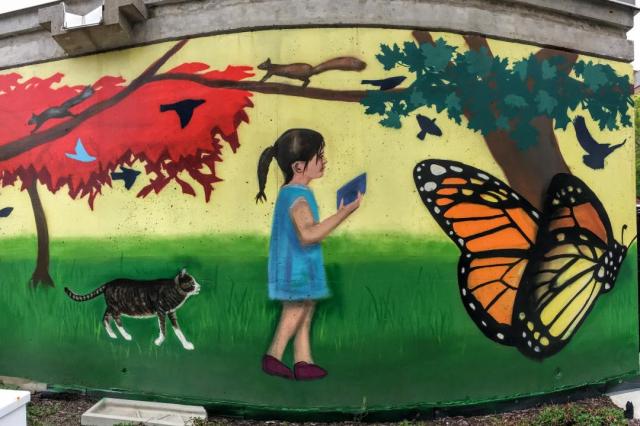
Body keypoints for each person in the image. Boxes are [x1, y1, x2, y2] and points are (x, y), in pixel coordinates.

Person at [255, 128, 362, 380]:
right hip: (297, 268)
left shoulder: (293, 193)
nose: (324, 160)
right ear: (299, 166)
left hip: (300, 265)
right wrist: (343, 213)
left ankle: (303, 360)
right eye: (319, 156)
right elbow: (308, 234)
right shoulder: (298, 197)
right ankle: (273, 355)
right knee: (295, 310)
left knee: (305, 309)